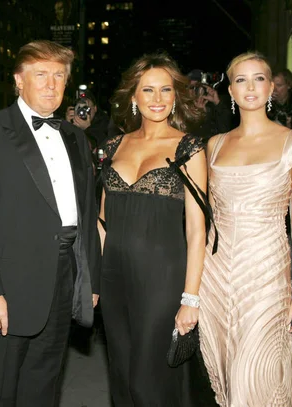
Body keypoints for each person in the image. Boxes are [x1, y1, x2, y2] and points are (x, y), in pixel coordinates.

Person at [0, 40, 100, 406]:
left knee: (42, 392)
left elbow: (86, 212)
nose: (51, 84)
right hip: (3, 289)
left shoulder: (76, 138)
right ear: (19, 80)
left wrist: (90, 280)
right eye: (41, 75)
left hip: (61, 283)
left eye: (59, 76)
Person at [199, 52, 292, 406]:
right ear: (230, 91)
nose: (250, 87)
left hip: (267, 273)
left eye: (259, 78)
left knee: (259, 370)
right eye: (240, 80)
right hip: (215, 275)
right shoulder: (214, 145)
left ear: (271, 87)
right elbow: (204, 217)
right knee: (226, 371)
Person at [98, 53, 212, 406]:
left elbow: (197, 230)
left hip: (163, 277)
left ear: (176, 96)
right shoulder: (113, 146)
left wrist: (190, 297)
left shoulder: (189, 148)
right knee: (122, 374)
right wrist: (92, 281)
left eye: (165, 89)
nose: (158, 98)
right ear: (133, 97)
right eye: (148, 90)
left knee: (149, 380)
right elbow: (102, 222)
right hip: (113, 278)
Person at [187, 69, 233, 140]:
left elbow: (225, 132)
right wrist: (201, 114)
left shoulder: (212, 106)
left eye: (198, 86)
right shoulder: (182, 108)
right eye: (192, 87)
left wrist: (217, 103)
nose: (195, 90)